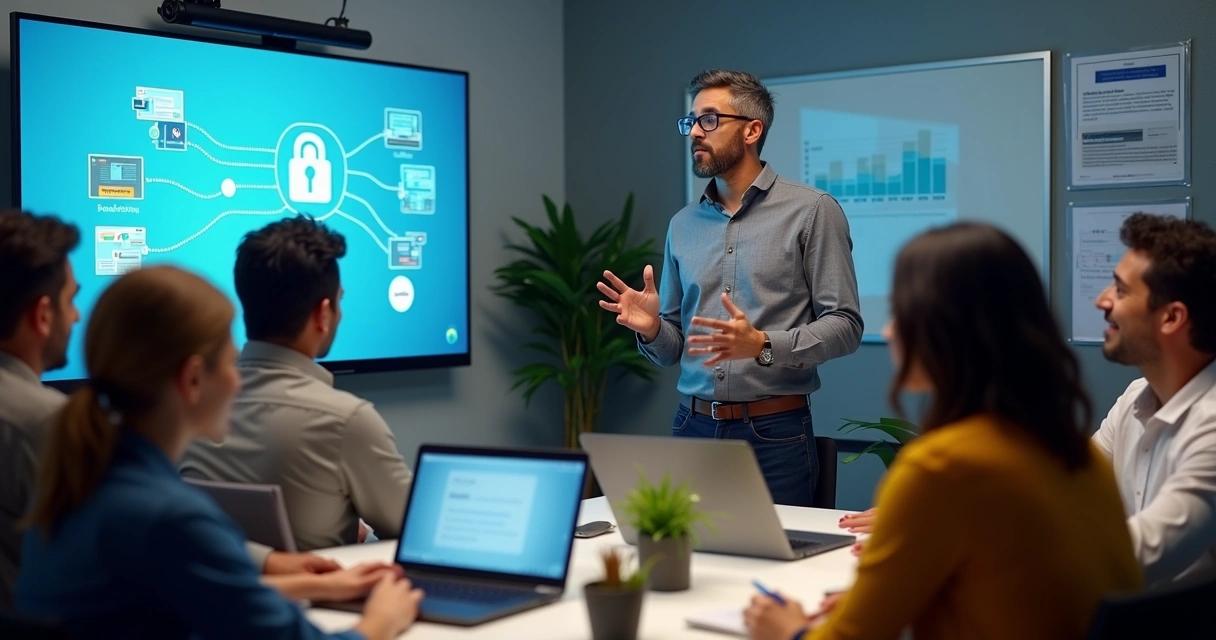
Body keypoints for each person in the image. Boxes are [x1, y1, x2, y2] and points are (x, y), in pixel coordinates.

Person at [744, 223, 1141, 640]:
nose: (892, 330)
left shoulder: (943, 467)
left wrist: (786, 630)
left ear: (949, 328)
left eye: (902, 310)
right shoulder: (1078, 454)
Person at [14, 265, 423, 639]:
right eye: (230, 362)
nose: (237, 381)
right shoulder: (167, 518)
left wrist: (314, 584)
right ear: (193, 378)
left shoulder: (77, 483)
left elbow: (173, 590)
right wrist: (381, 621)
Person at [0, 210, 350, 612]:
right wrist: (379, 618)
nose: (76, 314)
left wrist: (278, 567)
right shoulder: (48, 428)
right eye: (70, 299)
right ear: (192, 377)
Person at [598, 69, 863, 506]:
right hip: (692, 427)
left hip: (774, 433)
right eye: (691, 122)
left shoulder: (813, 211)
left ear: (752, 130)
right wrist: (650, 330)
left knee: (778, 568)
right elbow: (672, 351)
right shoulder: (682, 225)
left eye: (709, 120)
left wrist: (761, 344)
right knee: (690, 566)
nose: (695, 134)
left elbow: (846, 325)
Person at [180, 216, 413, 550]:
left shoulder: (189, 411)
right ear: (322, 314)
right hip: (319, 599)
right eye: (340, 301)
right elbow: (414, 530)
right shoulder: (346, 421)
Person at [1091, 213, 1216, 587]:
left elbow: (1145, 554)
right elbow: (1073, 488)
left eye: (1120, 290)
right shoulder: (1135, 398)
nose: (1102, 301)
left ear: (1171, 318)